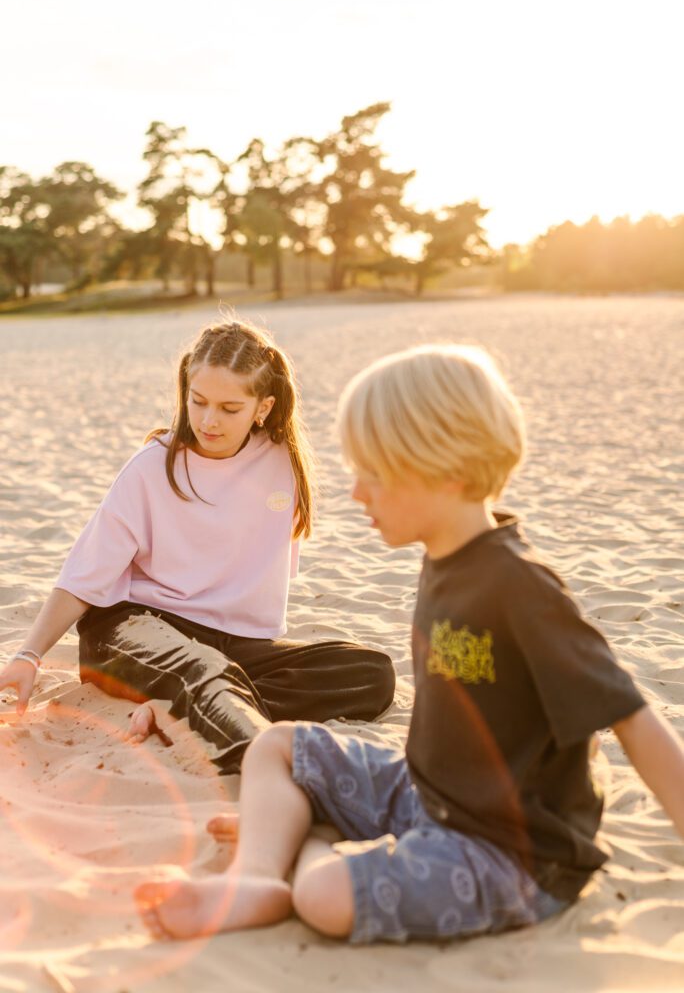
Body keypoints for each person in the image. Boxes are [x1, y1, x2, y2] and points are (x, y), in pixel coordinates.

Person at [133, 342, 684, 944]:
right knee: (279, 749)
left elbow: (632, 722)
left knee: (324, 896)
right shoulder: (445, 559)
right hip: (429, 795)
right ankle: (258, 876)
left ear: (444, 471)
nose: (356, 494)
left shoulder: (522, 588)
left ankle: (307, 846)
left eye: (374, 474)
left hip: (511, 854)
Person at [0, 318, 395, 774]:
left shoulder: (283, 462)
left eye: (230, 408)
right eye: (198, 401)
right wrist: (28, 655)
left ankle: (182, 710)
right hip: (133, 629)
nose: (209, 420)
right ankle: (267, 761)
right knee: (205, 670)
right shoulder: (151, 468)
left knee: (371, 672)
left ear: (262, 407)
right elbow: (84, 575)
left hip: (232, 646)